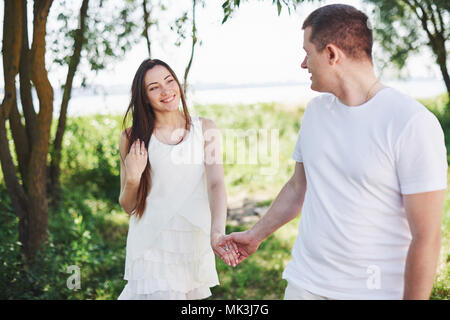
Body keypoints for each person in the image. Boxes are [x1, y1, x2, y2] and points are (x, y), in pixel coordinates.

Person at [221, 4, 447, 300]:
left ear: (331, 54)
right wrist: (255, 236)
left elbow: (426, 237)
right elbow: (297, 187)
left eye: (307, 52)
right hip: (305, 284)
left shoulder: (411, 122)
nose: (303, 64)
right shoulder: (315, 113)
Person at [117, 58, 239, 300]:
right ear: (144, 97)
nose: (166, 91)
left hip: (193, 243)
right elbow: (128, 205)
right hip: (152, 246)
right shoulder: (132, 137)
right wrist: (132, 178)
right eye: (154, 87)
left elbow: (216, 185)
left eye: (169, 81)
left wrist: (217, 232)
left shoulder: (205, 128)